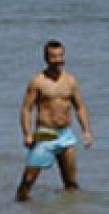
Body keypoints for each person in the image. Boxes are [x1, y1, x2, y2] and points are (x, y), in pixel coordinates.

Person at [16, 40, 94, 201]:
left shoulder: (71, 81)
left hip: (66, 135)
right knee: (28, 181)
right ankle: (19, 206)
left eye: (60, 56)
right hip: (45, 134)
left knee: (71, 183)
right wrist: (27, 134)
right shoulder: (38, 81)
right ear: (46, 58)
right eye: (54, 57)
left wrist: (86, 131)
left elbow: (80, 107)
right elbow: (26, 109)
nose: (58, 60)